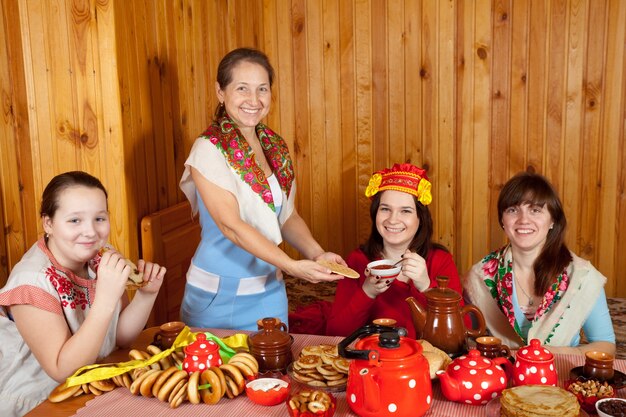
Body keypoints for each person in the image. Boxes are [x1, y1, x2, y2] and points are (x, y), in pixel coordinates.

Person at [179, 47, 344, 331]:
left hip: (270, 292)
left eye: (262, 89)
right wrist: (293, 266)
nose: (253, 100)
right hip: (218, 296)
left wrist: (317, 254)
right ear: (221, 92)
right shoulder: (208, 148)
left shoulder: (274, 146)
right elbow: (230, 226)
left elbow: (287, 216)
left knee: (274, 375)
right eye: (242, 88)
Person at [0, 171, 167, 417]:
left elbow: (119, 337)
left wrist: (146, 295)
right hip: (41, 400)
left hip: (95, 382)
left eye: (99, 218)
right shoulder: (31, 281)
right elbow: (62, 370)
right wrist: (106, 299)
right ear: (48, 223)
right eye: (74, 220)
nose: (90, 232)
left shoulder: (99, 255)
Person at [463, 172, 615, 355]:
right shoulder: (480, 276)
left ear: (552, 220)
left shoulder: (582, 277)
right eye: (513, 210)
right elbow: (463, 341)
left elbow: (605, 346)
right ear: (502, 220)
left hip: (559, 375)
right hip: (501, 376)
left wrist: (551, 353)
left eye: (535, 210)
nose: (523, 220)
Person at [325, 163, 464, 338]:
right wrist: (367, 292)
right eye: (385, 209)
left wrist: (426, 287)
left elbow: (460, 331)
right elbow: (334, 333)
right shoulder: (357, 261)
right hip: (372, 359)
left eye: (405, 211)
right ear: (375, 213)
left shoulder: (440, 260)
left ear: (420, 218)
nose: (393, 220)